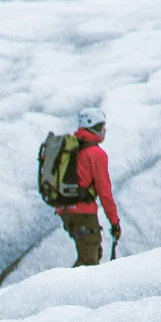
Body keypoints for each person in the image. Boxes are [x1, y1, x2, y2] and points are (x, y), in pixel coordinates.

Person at [56, 105, 122, 266]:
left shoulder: (71, 147)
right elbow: (105, 193)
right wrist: (114, 222)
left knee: (88, 258)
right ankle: (61, 290)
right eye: (102, 126)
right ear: (96, 127)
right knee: (89, 262)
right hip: (83, 213)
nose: (104, 130)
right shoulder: (96, 154)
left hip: (65, 210)